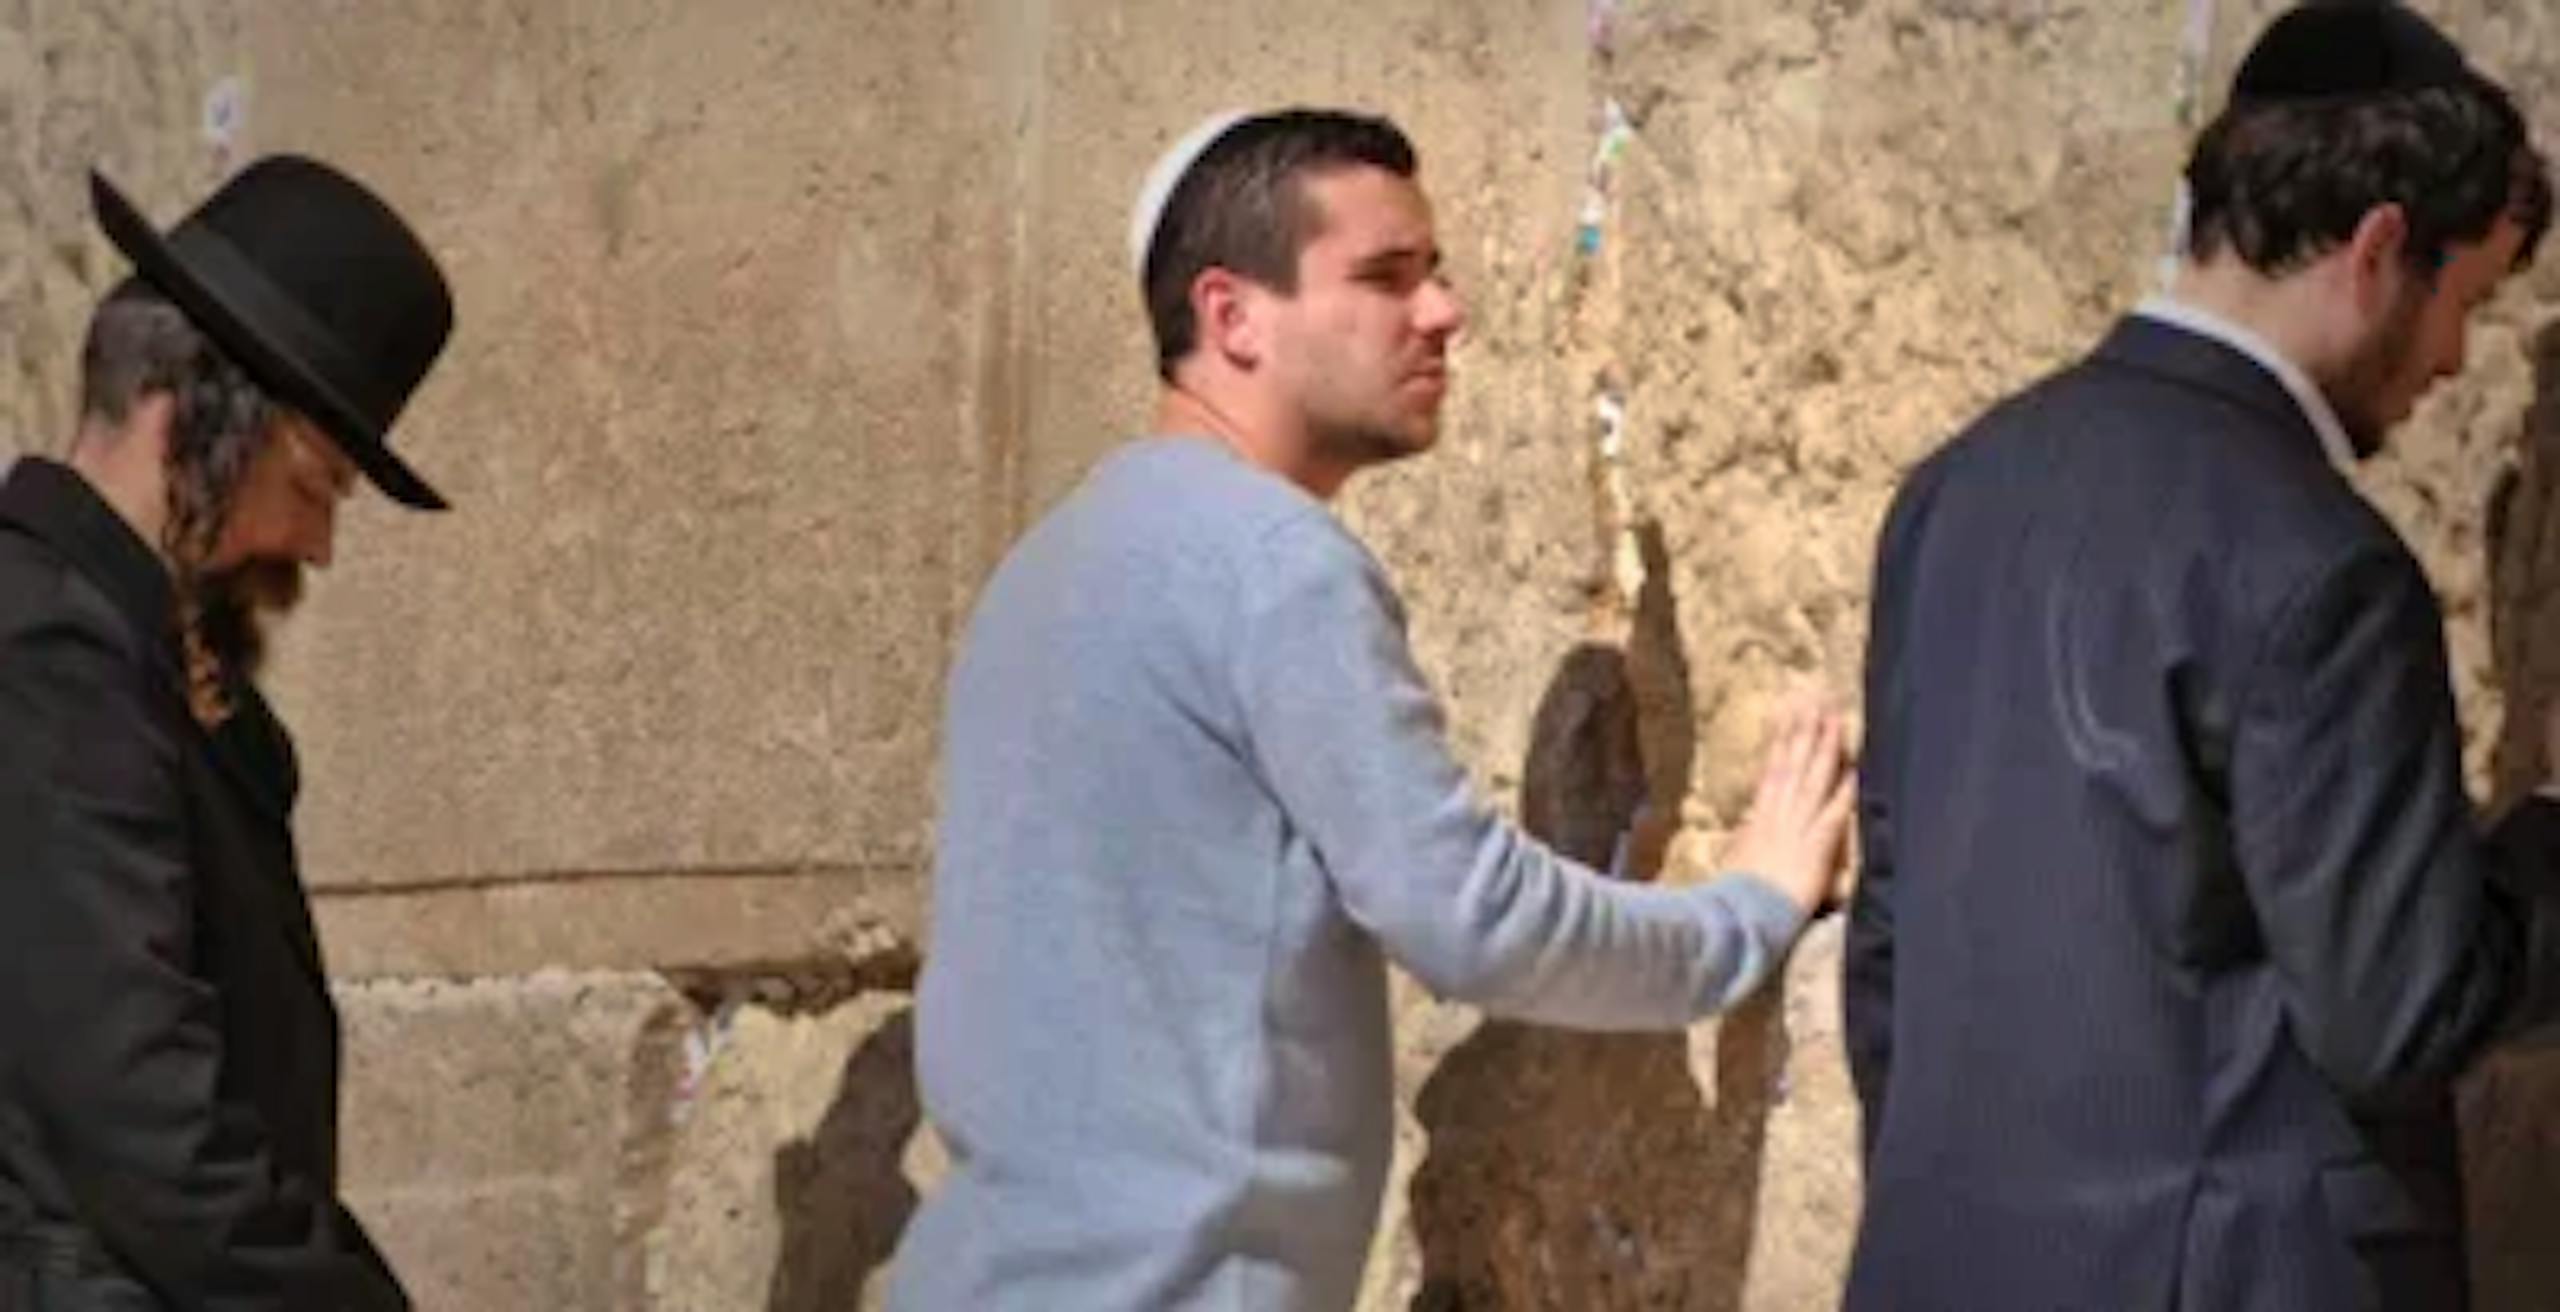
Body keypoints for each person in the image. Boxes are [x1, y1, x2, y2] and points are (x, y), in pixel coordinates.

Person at [888, 108, 1853, 1309]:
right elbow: (1469, 918)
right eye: (1386, 278)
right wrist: (1745, 918)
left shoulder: (1047, 568)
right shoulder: (1269, 564)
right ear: (1230, 315)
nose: (1443, 312)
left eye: (1434, 272)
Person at [1846, 5, 2560, 1308]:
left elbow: (1887, 947)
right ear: (2381, 247)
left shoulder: (1954, 491)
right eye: (2464, 303)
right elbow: (2397, 1011)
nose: (2456, 361)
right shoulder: (2319, 561)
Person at [0, 156, 455, 1309]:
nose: (316, 546)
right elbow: (140, 1121)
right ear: (195, 408)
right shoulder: (44, 652)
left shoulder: (142, 655)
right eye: (315, 483)